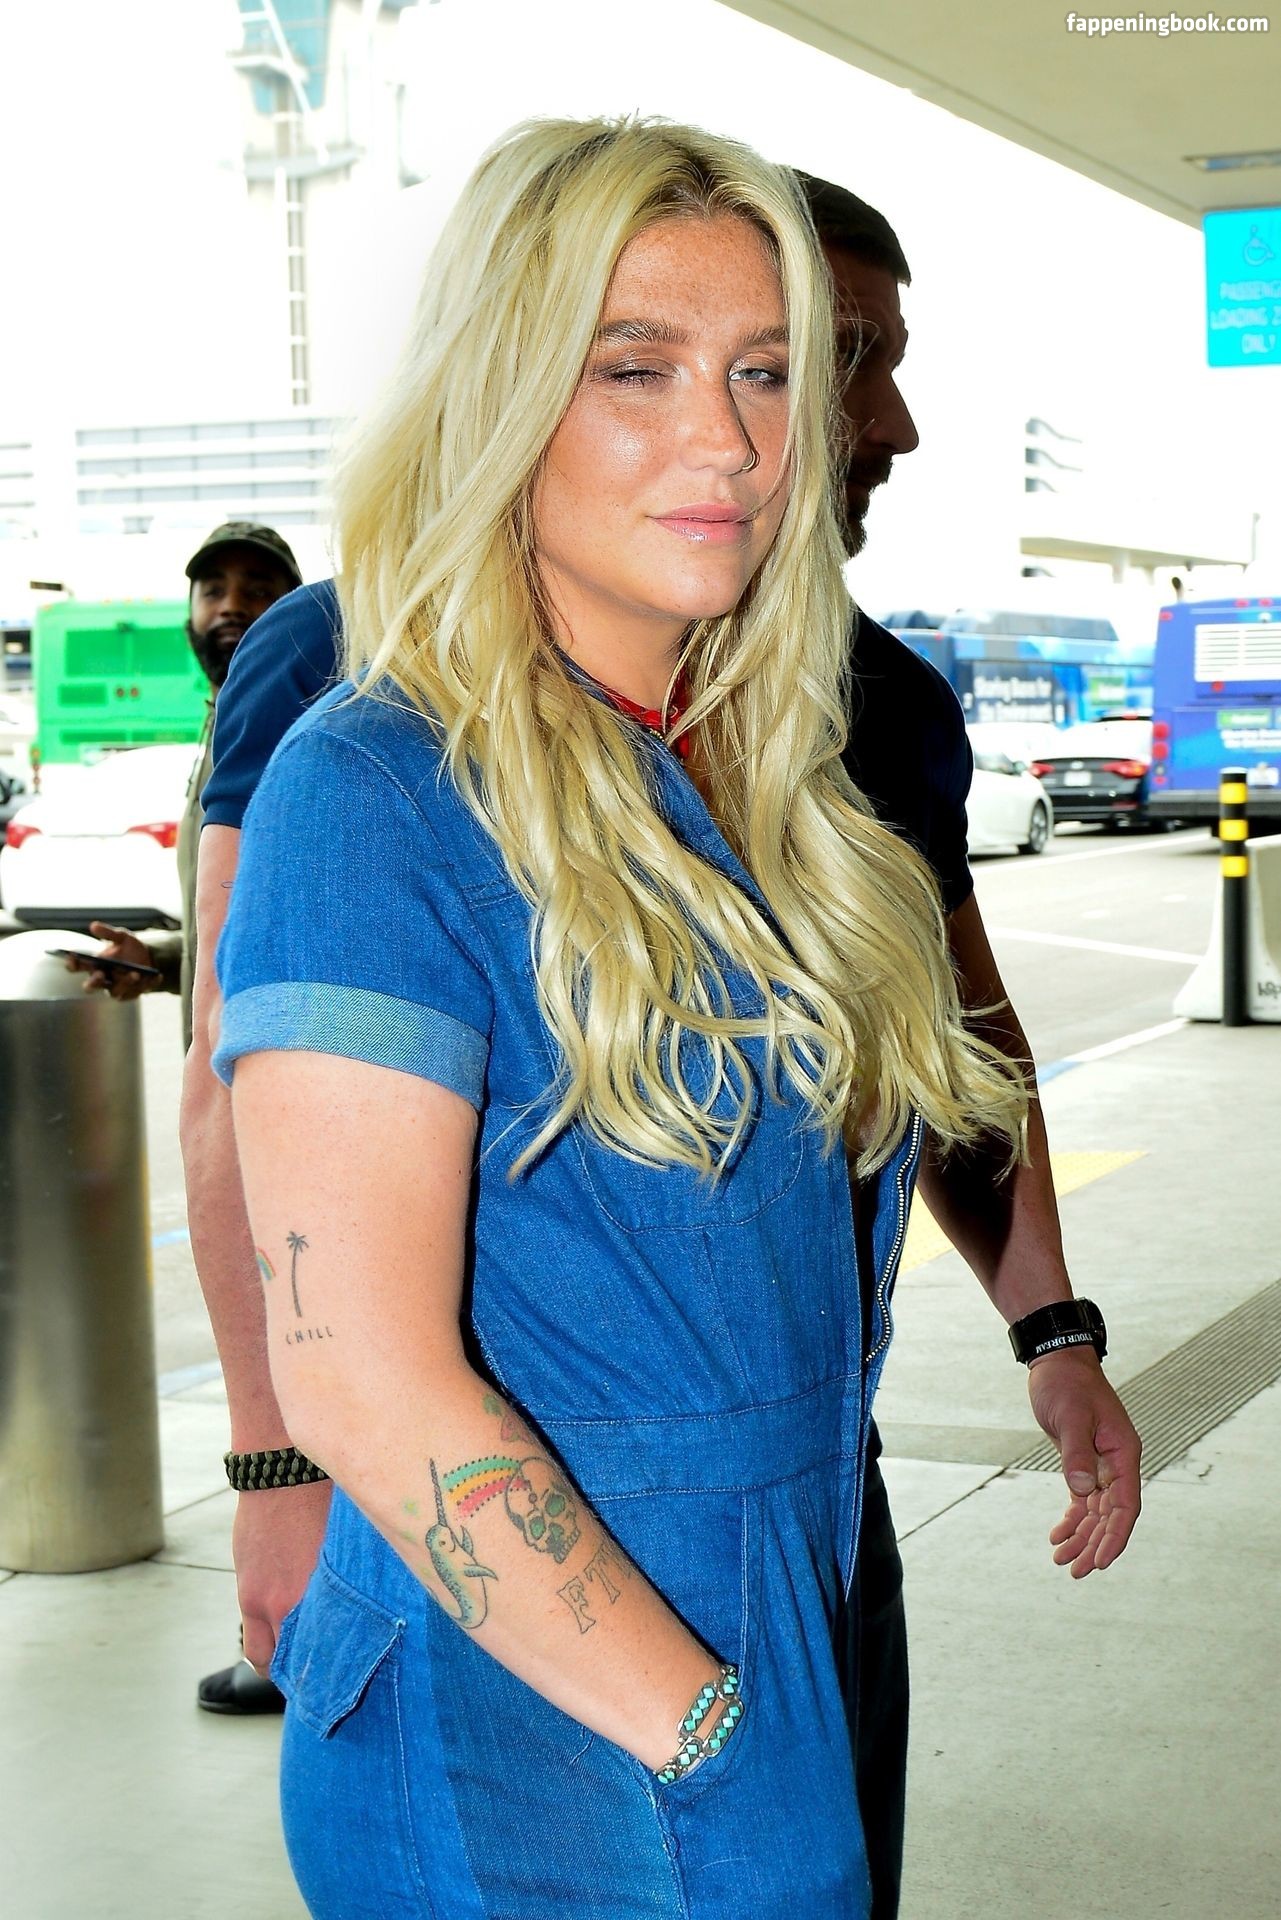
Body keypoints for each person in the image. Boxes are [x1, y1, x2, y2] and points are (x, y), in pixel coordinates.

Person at [184, 167, 1143, 1910]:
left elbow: (952, 1078)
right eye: (635, 367)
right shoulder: (380, 778)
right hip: (541, 1702)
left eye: (767, 371)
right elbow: (361, 1369)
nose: (731, 438)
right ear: (496, 393)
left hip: (795, 1573)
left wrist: (1048, 1326)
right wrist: (702, 1727)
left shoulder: (779, 770)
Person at [64, 522, 300, 1052]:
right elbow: (232, 929)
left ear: (294, 608)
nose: (231, 606)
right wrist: (158, 959)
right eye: (213, 591)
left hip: (273, 1074)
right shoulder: (220, 727)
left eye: (258, 589)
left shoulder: (307, 738)